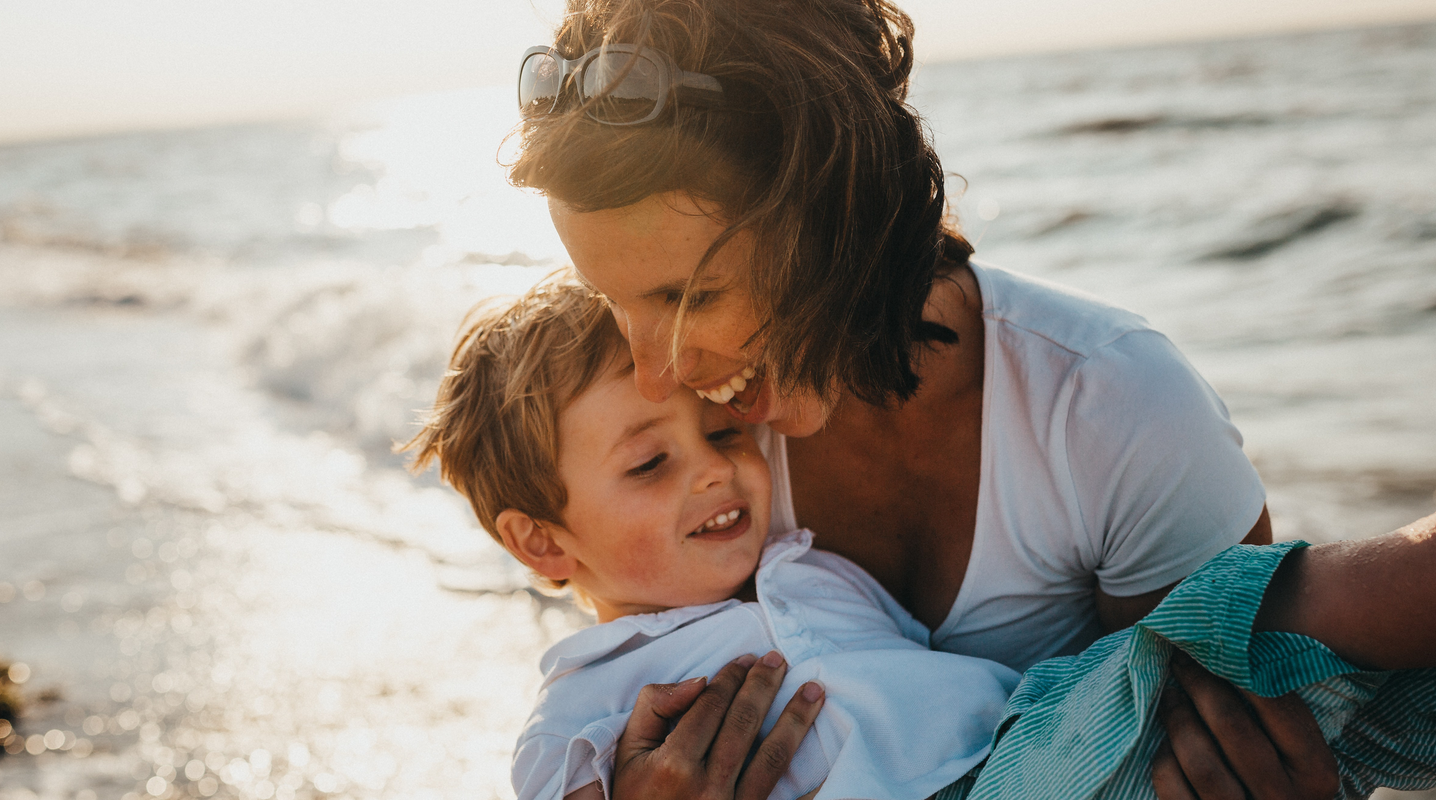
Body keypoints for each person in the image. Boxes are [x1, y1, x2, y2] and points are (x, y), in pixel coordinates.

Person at [506, 0, 1330, 797]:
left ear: (835, 220)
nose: (656, 373)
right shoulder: (693, 450)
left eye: (691, 298)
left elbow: (1243, 733)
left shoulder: (1111, 410)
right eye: (613, 299)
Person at [403, 274, 1436, 800]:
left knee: (1357, 681)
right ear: (541, 543)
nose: (716, 465)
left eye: (720, 429)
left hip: (1031, 734)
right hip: (991, 784)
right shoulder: (583, 700)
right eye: (648, 463)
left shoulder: (805, 563)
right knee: (1273, 622)